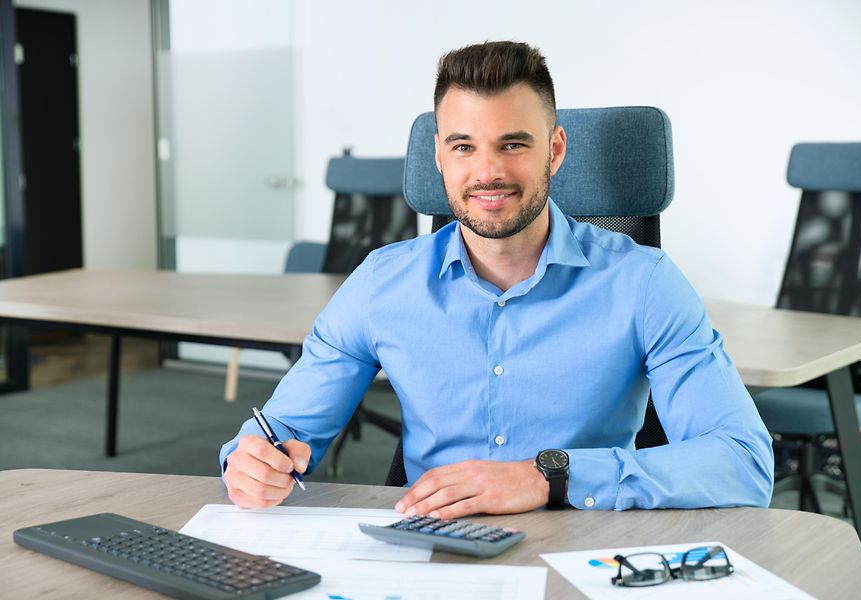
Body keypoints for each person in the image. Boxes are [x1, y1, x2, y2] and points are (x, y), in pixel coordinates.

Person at [221, 41, 774, 518]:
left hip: (584, 551)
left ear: (555, 150)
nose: (487, 172)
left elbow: (742, 462)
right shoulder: (381, 285)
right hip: (429, 553)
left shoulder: (643, 284)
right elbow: (281, 430)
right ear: (439, 156)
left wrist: (547, 476)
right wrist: (250, 461)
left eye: (513, 144)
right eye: (463, 146)